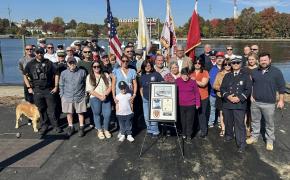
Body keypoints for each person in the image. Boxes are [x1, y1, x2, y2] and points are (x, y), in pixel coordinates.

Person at [247, 53, 285, 151]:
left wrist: (281, 100)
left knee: (269, 123)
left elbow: (281, 87)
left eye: (265, 60)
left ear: (270, 60)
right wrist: (251, 95)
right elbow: (251, 85)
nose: (263, 62)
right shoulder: (255, 71)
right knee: (255, 121)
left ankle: (269, 140)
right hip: (255, 102)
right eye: (262, 60)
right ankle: (254, 137)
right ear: (258, 61)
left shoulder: (276, 72)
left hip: (269, 103)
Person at [23, 48, 61, 135]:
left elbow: (57, 74)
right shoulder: (30, 64)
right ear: (35, 53)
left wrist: (56, 86)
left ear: (44, 53)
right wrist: (29, 87)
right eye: (38, 52)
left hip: (48, 89)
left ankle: (55, 125)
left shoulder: (49, 63)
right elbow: (25, 75)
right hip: (37, 90)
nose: (39, 54)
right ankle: (44, 125)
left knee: (52, 109)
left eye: (41, 52)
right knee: (41, 109)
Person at [220, 57, 252, 153]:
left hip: (239, 104)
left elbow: (248, 89)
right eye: (233, 63)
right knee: (228, 121)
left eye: (237, 63)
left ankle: (241, 143)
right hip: (228, 102)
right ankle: (229, 135)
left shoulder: (245, 76)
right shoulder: (227, 75)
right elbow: (222, 89)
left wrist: (239, 98)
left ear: (241, 64)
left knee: (239, 125)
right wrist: (228, 97)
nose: (235, 64)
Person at [59, 57, 87, 137]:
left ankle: (81, 127)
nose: (72, 64)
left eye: (73, 62)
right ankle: (71, 126)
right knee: (69, 113)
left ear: (76, 63)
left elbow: (85, 84)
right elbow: (61, 85)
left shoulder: (82, 72)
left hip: (80, 96)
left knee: (80, 113)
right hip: (67, 97)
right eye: (70, 63)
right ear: (67, 64)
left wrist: (85, 95)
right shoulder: (63, 73)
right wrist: (62, 96)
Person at [86, 61, 112, 140]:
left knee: (107, 114)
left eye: (98, 66)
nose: (97, 68)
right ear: (92, 68)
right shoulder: (89, 76)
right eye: (95, 67)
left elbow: (110, 86)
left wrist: (105, 95)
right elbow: (90, 90)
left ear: (101, 67)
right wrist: (100, 96)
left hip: (105, 97)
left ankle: (106, 129)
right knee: (96, 113)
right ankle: (99, 130)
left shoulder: (106, 75)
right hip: (95, 97)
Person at [176, 68, 200, 143]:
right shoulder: (177, 81)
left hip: (191, 104)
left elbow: (196, 93)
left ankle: (189, 135)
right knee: (182, 120)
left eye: (187, 75)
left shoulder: (192, 82)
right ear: (181, 74)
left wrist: (197, 103)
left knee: (190, 120)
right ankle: (183, 134)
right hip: (181, 104)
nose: (185, 77)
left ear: (189, 75)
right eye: (184, 75)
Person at [140, 60, 164, 136]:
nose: (147, 67)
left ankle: (155, 131)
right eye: (146, 66)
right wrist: (142, 96)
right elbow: (141, 88)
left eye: (149, 65)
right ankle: (149, 130)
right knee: (146, 116)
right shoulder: (142, 76)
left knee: (154, 115)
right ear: (143, 67)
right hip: (145, 99)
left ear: (151, 66)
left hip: (155, 99)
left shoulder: (156, 74)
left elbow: (162, 84)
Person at [190, 58, 210, 138]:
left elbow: (203, 84)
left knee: (202, 114)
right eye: (196, 62)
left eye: (199, 62)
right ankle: (195, 129)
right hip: (192, 97)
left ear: (201, 64)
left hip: (203, 97)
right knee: (193, 114)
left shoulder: (205, 72)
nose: (197, 64)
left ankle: (203, 131)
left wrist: (194, 80)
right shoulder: (190, 73)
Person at [213, 58, 232, 137]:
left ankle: (231, 129)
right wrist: (222, 89)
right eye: (225, 64)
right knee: (222, 113)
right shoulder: (219, 74)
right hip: (220, 96)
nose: (227, 66)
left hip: (231, 97)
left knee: (231, 113)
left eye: (229, 64)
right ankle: (223, 129)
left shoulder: (234, 73)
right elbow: (214, 85)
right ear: (223, 65)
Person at [208, 51, 224, 128]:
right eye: (218, 58)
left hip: (224, 94)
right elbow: (212, 82)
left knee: (221, 109)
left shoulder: (227, 68)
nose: (219, 59)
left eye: (221, 58)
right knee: (213, 109)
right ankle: (211, 122)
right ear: (216, 59)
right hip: (213, 94)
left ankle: (220, 121)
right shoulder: (213, 69)